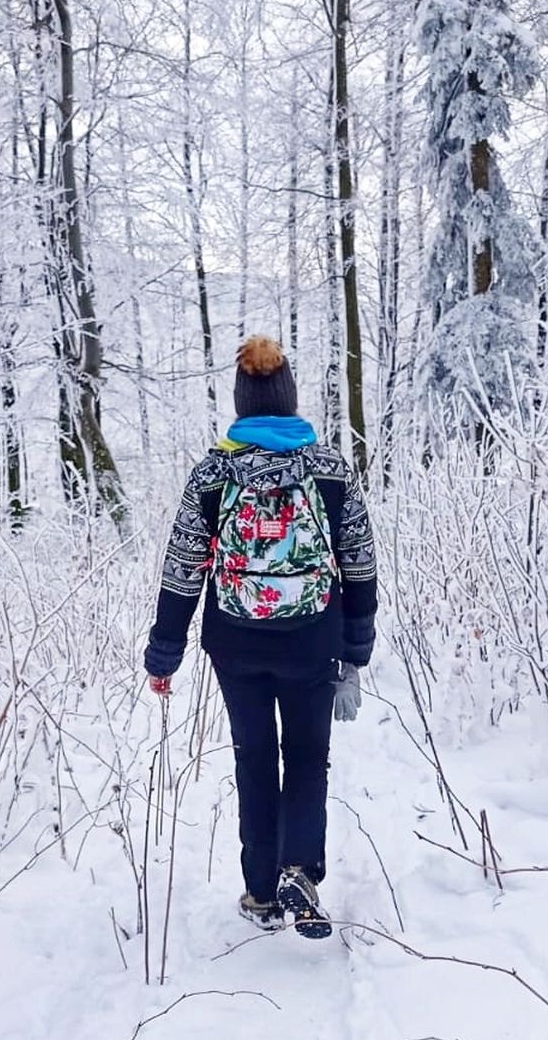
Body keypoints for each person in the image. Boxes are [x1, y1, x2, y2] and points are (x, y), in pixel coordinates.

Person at [142, 335, 379, 940]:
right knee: (307, 757)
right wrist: (355, 650)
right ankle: (301, 868)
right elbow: (359, 561)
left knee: (254, 757)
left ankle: (260, 890)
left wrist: (164, 651)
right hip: (311, 639)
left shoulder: (214, 472)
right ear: (290, 398)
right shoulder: (329, 470)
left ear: (242, 403)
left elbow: (183, 564)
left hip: (237, 643)